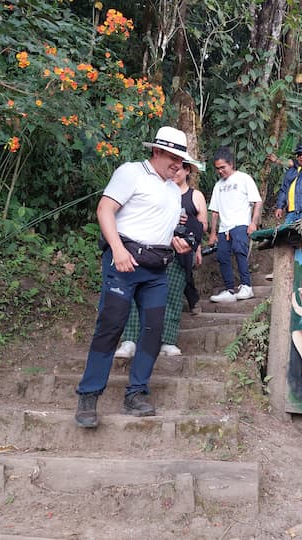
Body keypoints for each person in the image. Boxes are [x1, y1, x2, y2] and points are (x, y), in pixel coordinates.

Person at [74, 126, 193, 428]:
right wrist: (117, 250)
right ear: (156, 151)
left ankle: (136, 393)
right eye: (173, 157)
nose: (178, 164)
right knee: (110, 327)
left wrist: (175, 240)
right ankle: (88, 396)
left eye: (181, 159)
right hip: (124, 262)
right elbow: (104, 210)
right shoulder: (131, 173)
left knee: (153, 330)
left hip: (156, 268)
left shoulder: (171, 190)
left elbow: (157, 225)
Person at [113, 160, 208, 359]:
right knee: (136, 295)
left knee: (172, 297)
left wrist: (189, 230)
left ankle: (167, 340)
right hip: (149, 251)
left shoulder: (195, 195)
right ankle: (129, 339)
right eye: (172, 166)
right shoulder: (158, 187)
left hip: (179, 254)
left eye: (180, 168)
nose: (175, 171)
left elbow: (202, 226)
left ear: (187, 170)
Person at [208, 146, 263, 303]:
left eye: (223, 167)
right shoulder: (218, 185)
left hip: (240, 224)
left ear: (231, 164)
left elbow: (257, 201)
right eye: (217, 169)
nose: (220, 171)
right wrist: (213, 233)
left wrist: (253, 223)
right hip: (224, 227)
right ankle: (230, 289)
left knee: (240, 252)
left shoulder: (244, 179)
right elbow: (215, 212)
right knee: (222, 256)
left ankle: (247, 286)